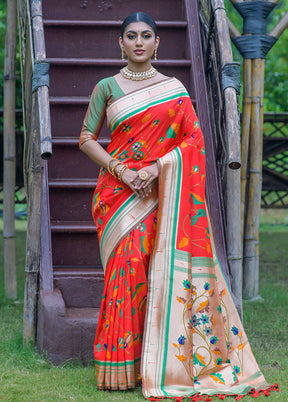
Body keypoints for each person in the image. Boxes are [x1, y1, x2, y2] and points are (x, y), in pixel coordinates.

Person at [79, 11, 277, 400]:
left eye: (146, 35)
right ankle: (118, 369)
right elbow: (87, 137)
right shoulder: (106, 87)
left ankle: (159, 364)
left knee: (160, 274)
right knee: (127, 272)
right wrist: (122, 170)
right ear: (120, 43)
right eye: (131, 36)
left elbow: (194, 140)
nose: (139, 42)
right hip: (118, 197)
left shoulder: (174, 89)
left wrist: (156, 169)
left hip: (163, 193)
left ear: (157, 43)